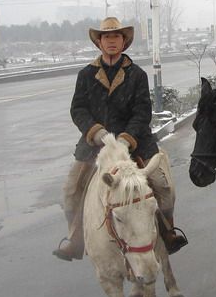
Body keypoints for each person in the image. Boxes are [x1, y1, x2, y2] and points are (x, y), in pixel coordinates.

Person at [53, 17, 187, 261]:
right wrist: (96, 132)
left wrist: (126, 138)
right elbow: (78, 109)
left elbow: (142, 111)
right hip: (95, 147)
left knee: (162, 185)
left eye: (116, 37)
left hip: (135, 142)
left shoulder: (137, 74)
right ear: (99, 42)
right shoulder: (86, 75)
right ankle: (76, 239)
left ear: (124, 42)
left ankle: (168, 232)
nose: (111, 41)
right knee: (71, 192)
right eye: (107, 37)